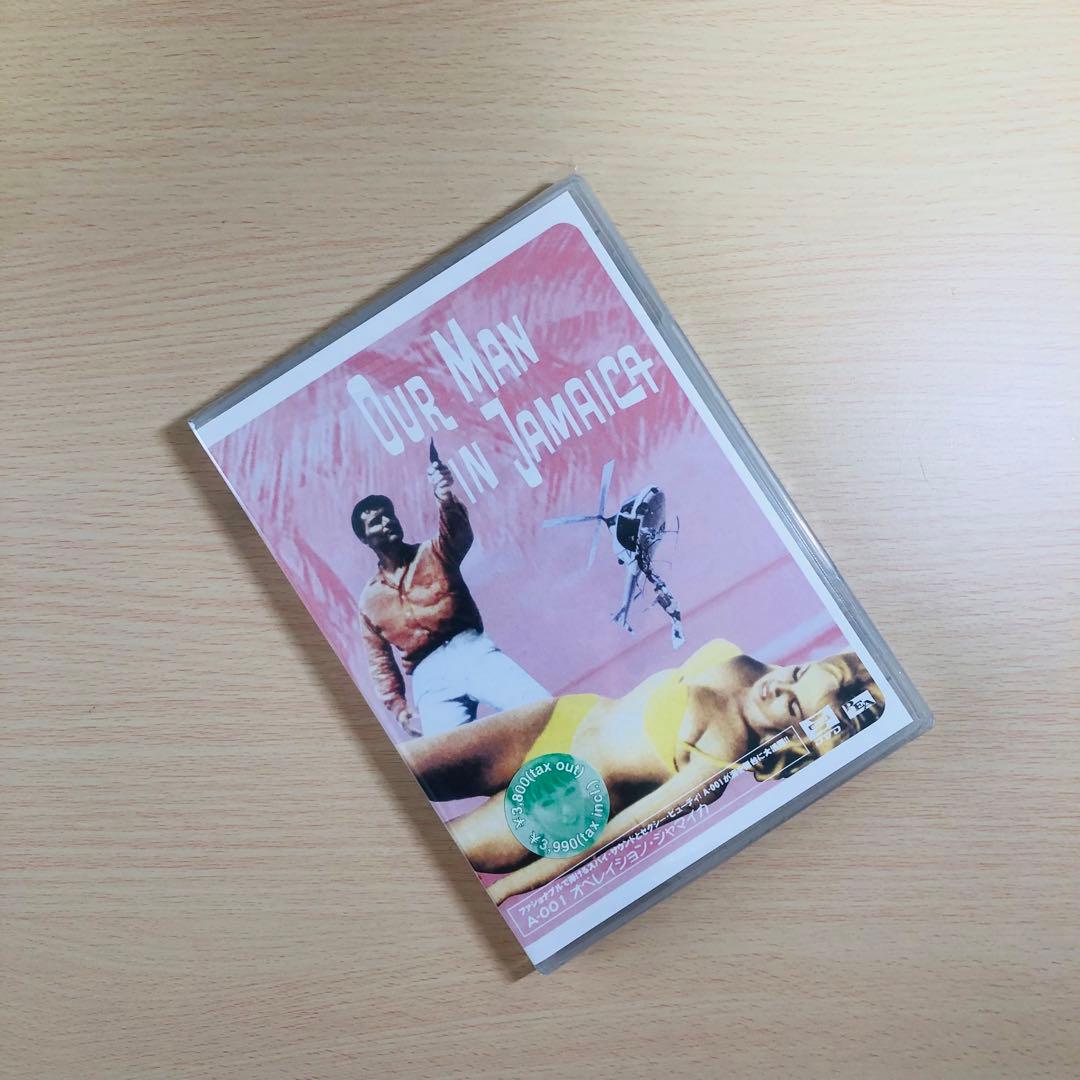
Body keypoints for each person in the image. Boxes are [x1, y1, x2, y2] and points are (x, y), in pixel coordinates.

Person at [401, 639, 885, 903]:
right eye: (798, 674)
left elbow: (614, 834)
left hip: (563, 798)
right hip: (558, 719)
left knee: (422, 858)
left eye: (793, 706)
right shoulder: (745, 662)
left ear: (796, 738)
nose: (778, 688)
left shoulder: (719, 762)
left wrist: (509, 889)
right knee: (396, 772)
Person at [353, 458, 549, 737]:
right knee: (448, 755)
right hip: (428, 677)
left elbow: (458, 533)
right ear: (364, 538)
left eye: (390, 515)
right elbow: (379, 661)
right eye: (376, 522)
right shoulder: (369, 600)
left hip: (471, 650)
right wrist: (399, 708)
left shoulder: (434, 552)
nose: (387, 522)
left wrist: (444, 496)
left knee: (542, 710)